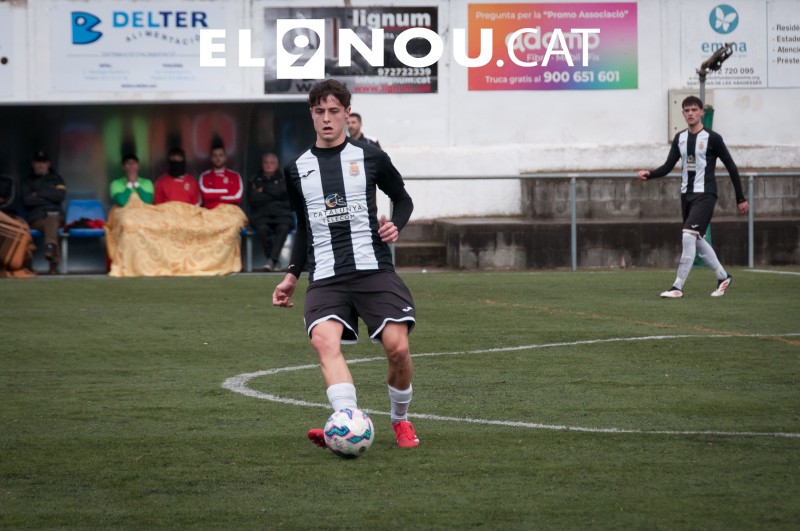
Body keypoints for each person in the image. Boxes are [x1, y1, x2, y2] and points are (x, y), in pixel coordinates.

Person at [272, 79, 419, 450]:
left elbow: (403, 200)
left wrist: (395, 226)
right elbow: (304, 226)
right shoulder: (297, 169)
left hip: (373, 270)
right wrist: (291, 275)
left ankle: (400, 420)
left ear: (346, 113)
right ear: (311, 114)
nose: (327, 118)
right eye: (319, 111)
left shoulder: (370, 156)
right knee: (324, 341)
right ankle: (346, 422)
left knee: (398, 348)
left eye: (334, 111)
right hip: (326, 276)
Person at [637, 95, 749, 298]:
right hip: (686, 195)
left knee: (688, 236)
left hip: (705, 194)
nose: (690, 113)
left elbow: (731, 167)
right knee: (696, 239)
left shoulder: (713, 138)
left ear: (701, 112)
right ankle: (723, 276)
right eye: (687, 110)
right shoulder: (680, 138)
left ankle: (677, 287)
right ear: (683, 113)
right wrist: (650, 174)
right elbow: (668, 166)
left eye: (694, 110)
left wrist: (740, 198)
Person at [247, 152, 294, 272]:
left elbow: (289, 200)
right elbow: (253, 200)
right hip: (261, 216)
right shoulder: (254, 179)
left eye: (272, 163)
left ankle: (271, 260)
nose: (269, 165)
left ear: (277, 165)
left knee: (283, 228)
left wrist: (265, 190)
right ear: (262, 164)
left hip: (281, 215)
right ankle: (273, 261)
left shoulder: (284, 179)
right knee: (262, 229)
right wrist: (276, 196)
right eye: (266, 163)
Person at [22, 150, 67, 274]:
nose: (40, 165)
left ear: (48, 164)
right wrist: (49, 194)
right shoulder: (27, 181)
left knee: (52, 219)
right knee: (51, 222)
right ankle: (52, 258)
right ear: (33, 164)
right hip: (37, 218)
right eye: (38, 162)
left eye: (43, 162)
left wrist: (38, 194)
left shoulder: (57, 178)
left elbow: (59, 196)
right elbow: (27, 201)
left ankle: (50, 249)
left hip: (56, 216)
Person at [0, 174, 36, 278]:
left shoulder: (8, 181)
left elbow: (11, 204)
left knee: (22, 230)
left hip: (9, 217)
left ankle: (21, 265)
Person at [198, 145, 243, 209]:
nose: (218, 158)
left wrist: (213, 197)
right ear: (211, 158)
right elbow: (205, 194)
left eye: (221, 155)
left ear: (225, 157)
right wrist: (226, 191)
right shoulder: (204, 176)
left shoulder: (235, 176)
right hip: (211, 212)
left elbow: (237, 197)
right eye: (215, 156)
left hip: (230, 212)